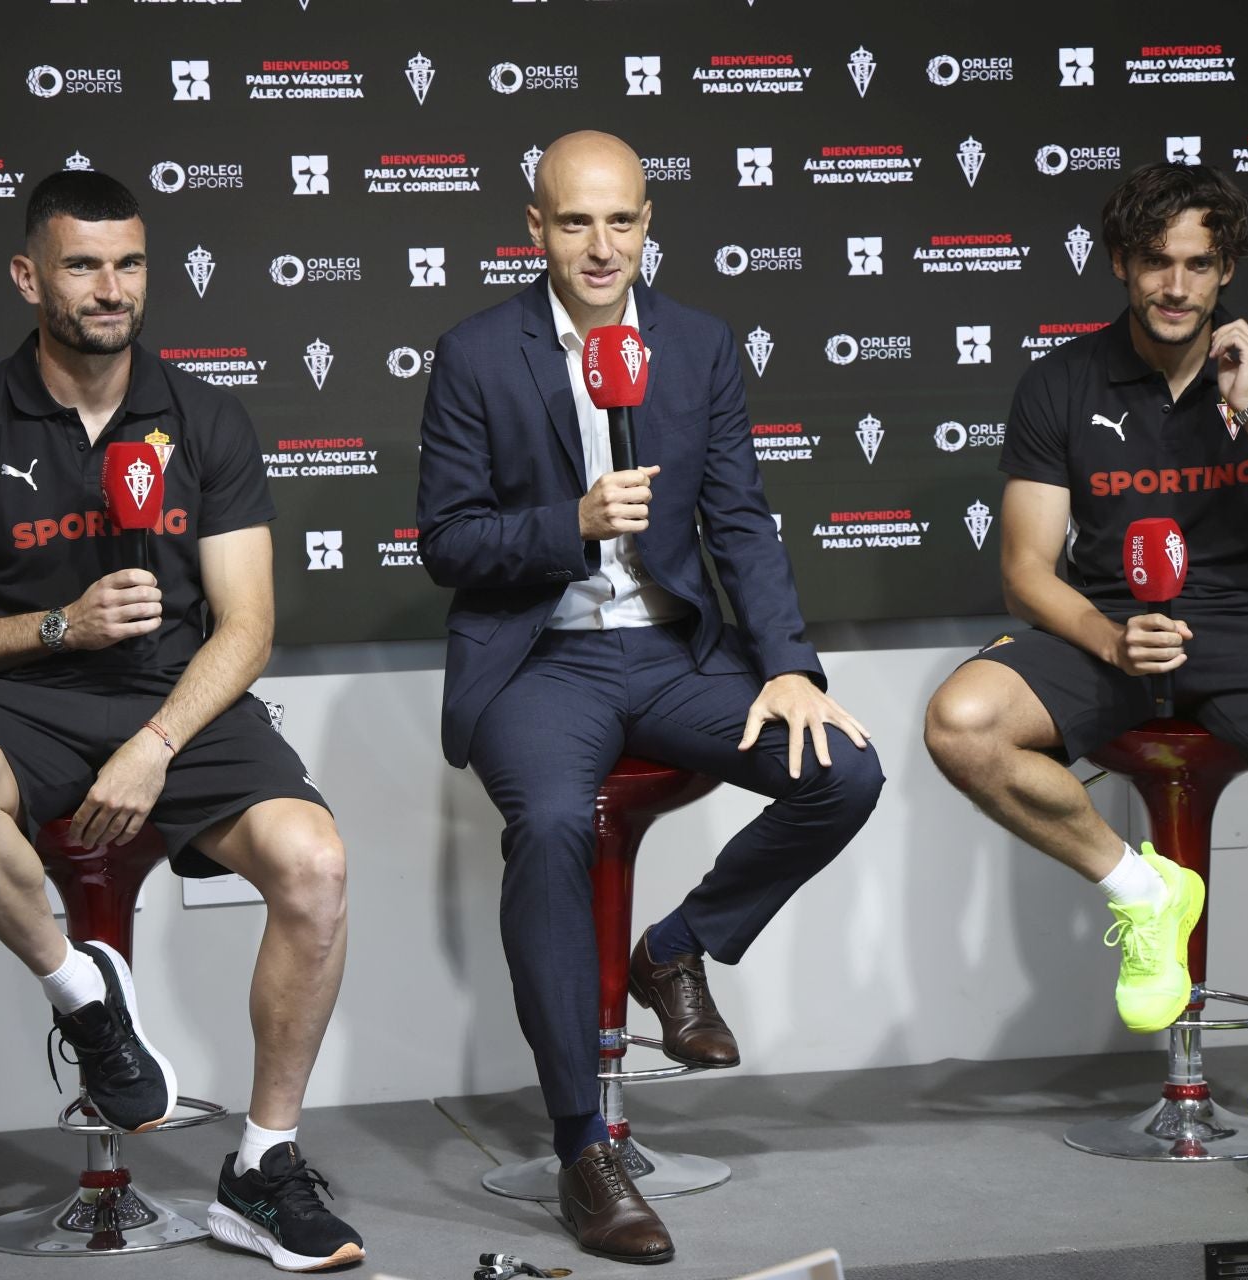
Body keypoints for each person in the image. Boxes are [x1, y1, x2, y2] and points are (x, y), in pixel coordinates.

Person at [0, 170, 364, 1271]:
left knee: (316, 863)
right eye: (83, 263)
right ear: (27, 275)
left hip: (178, 698)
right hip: (28, 697)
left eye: (129, 263)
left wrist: (155, 743)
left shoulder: (207, 418)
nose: (111, 288)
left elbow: (247, 624)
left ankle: (265, 1167)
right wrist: (58, 624)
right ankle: (83, 994)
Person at [417, 131, 883, 1261]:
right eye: (574, 221)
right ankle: (586, 1145)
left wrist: (787, 665)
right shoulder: (478, 352)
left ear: (648, 222)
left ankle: (675, 947)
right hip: (542, 660)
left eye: (620, 221)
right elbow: (447, 541)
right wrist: (566, 524)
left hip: (674, 653)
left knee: (845, 770)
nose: (600, 245)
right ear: (534, 228)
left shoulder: (700, 343)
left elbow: (739, 518)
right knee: (549, 825)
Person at [924, 162, 1248, 1203]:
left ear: (1227, 267)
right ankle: (1145, 891)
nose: (1177, 285)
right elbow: (1023, 568)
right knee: (961, 722)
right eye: (1156, 262)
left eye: (1199, 263)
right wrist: (1108, 638)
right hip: (1113, 625)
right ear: (1121, 265)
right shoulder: (1062, 382)